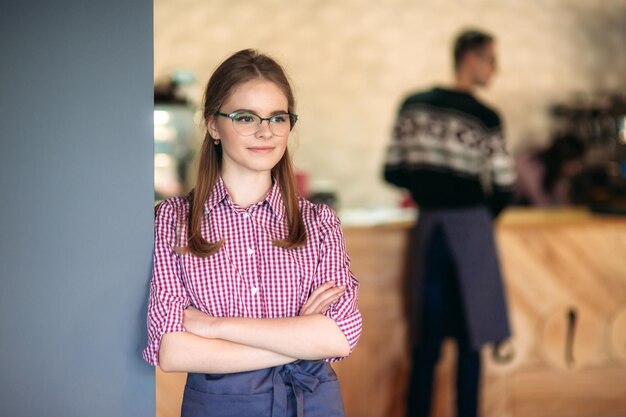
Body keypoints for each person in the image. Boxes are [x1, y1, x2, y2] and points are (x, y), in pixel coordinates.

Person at [143, 49, 362, 417]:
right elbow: (174, 350)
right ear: (213, 125)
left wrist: (214, 326)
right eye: (245, 117)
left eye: (277, 117)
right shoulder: (171, 221)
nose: (265, 131)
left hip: (312, 405)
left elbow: (340, 334)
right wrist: (300, 338)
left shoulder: (320, 222)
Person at [383, 29, 516, 417]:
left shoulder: (413, 106)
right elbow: (505, 186)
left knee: (425, 344)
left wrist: (431, 188)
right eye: (492, 59)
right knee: (472, 343)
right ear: (471, 59)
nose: (495, 69)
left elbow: (392, 170)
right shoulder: (485, 117)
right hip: (472, 231)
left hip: (429, 231)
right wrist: (474, 213)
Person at [514, 134, 586, 206]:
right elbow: (543, 204)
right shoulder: (533, 167)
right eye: (575, 164)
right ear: (564, 160)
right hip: (515, 209)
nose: (578, 169)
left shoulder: (555, 174)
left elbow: (562, 202)